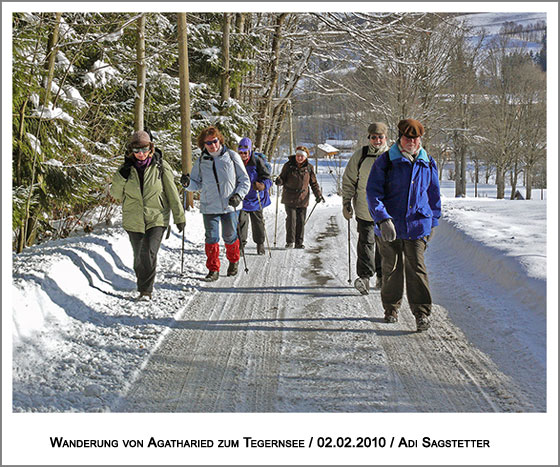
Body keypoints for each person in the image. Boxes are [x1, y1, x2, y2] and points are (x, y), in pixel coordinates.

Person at [366, 119, 441, 332]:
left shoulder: (427, 161)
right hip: (390, 225)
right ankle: (391, 308)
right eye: (408, 138)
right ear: (400, 138)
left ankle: (422, 313)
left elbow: (433, 194)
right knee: (392, 268)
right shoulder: (386, 161)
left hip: (418, 224)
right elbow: (373, 193)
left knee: (417, 268)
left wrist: (433, 222)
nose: (412, 142)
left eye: (415, 138)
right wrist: (382, 218)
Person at [110, 130, 186, 301]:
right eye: (136, 151)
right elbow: (115, 194)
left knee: (148, 252)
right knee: (138, 256)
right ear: (131, 151)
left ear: (151, 148)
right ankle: (142, 284)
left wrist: (179, 217)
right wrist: (122, 176)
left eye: (144, 150)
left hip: (156, 217)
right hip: (133, 219)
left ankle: (146, 291)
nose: (141, 154)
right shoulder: (125, 170)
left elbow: (172, 193)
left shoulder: (160, 166)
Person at [186, 126, 250, 281]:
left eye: (214, 141)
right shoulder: (201, 161)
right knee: (211, 238)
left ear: (219, 140)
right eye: (208, 143)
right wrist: (186, 183)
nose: (212, 145)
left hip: (230, 205)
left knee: (229, 236)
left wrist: (238, 195)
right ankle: (213, 269)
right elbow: (196, 184)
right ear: (203, 145)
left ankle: (234, 260)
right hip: (209, 206)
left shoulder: (232, 156)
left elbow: (244, 181)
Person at [341, 122, 389, 295]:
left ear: (386, 138)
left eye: (380, 137)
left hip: (386, 211)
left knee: (384, 245)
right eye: (373, 137)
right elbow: (349, 180)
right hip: (364, 208)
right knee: (366, 243)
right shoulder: (360, 155)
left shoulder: (392, 156)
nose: (377, 140)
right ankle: (365, 278)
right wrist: (346, 202)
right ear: (369, 138)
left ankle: (383, 276)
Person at [275, 145, 324, 249]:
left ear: (305, 157)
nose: (299, 158)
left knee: (301, 220)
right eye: (298, 155)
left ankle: (299, 243)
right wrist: (279, 181)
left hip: (303, 197)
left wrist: (318, 194)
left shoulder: (309, 168)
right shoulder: (288, 166)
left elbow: (313, 183)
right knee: (291, 220)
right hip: (289, 196)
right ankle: (290, 241)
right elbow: (282, 178)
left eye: (302, 156)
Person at [236, 137, 273, 255]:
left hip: (256, 198)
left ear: (250, 151)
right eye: (240, 152)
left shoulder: (257, 162)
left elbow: (268, 179)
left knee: (258, 223)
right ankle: (240, 246)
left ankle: (260, 244)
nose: (243, 155)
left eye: (245, 153)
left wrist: (262, 185)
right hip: (242, 198)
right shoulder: (235, 162)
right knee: (241, 222)